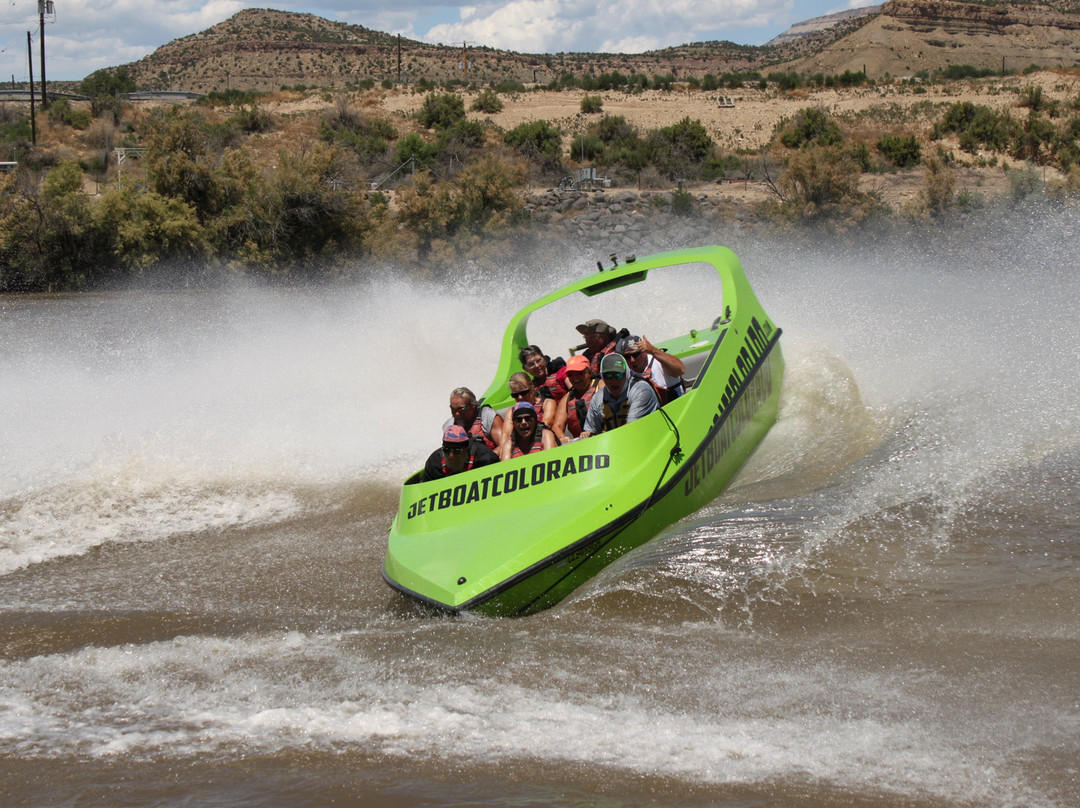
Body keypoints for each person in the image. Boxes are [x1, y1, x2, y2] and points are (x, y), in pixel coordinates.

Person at [579, 353, 658, 438]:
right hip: (614, 445)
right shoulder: (598, 398)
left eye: (619, 375)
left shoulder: (641, 391)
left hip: (646, 440)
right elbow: (591, 431)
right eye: (608, 376)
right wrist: (586, 434)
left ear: (627, 374)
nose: (614, 380)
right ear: (602, 376)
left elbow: (630, 429)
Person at [615, 334, 686, 404]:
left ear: (644, 352)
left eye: (635, 355)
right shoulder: (625, 373)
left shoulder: (658, 361)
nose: (632, 360)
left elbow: (680, 370)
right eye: (627, 356)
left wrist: (652, 350)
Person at [422, 424, 499, 482]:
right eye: (446, 450)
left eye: (457, 451)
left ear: (466, 449)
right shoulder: (434, 463)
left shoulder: (485, 457)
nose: (451, 455)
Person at [552, 354, 601, 442]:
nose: (575, 378)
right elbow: (557, 426)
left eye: (579, 373)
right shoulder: (567, 398)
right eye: (570, 374)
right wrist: (562, 437)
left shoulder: (600, 386)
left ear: (589, 372)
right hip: (581, 446)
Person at [442, 387, 503, 452]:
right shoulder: (449, 426)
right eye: (453, 409)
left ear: (473, 405)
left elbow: (504, 444)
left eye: (461, 409)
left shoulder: (487, 416)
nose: (457, 414)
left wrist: (488, 459)